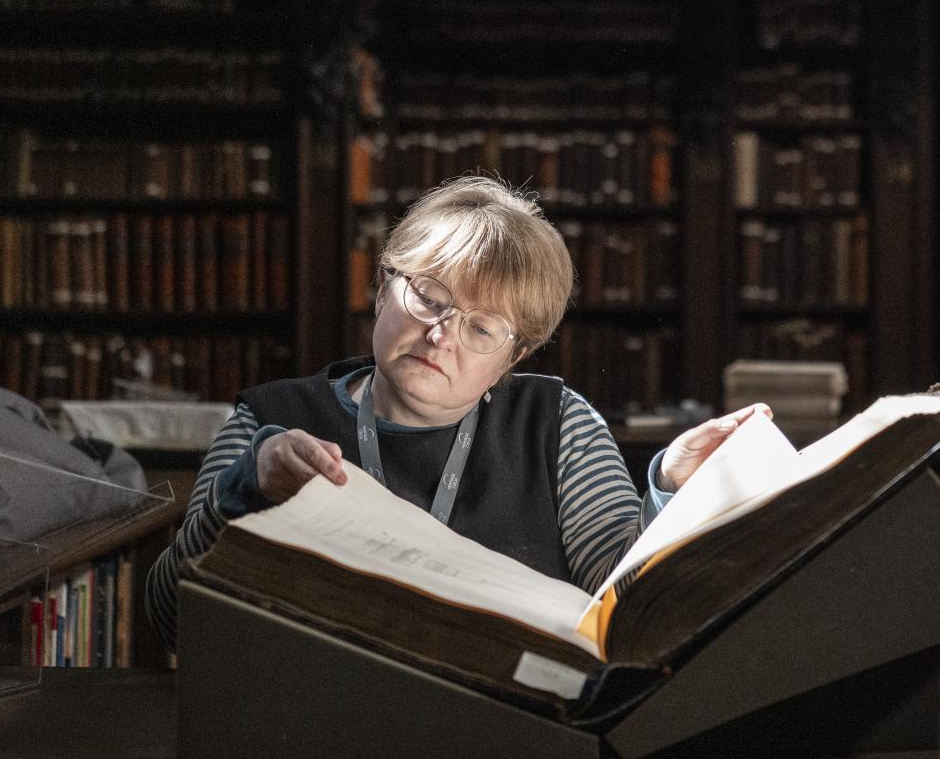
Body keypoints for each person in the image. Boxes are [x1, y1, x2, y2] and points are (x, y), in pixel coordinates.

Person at [145, 175, 767, 651]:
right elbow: (171, 618)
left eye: (483, 327)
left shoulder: (556, 423)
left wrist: (671, 491)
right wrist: (244, 490)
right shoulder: (271, 418)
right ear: (382, 285)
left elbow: (621, 608)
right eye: (429, 297)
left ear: (515, 355)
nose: (442, 336)